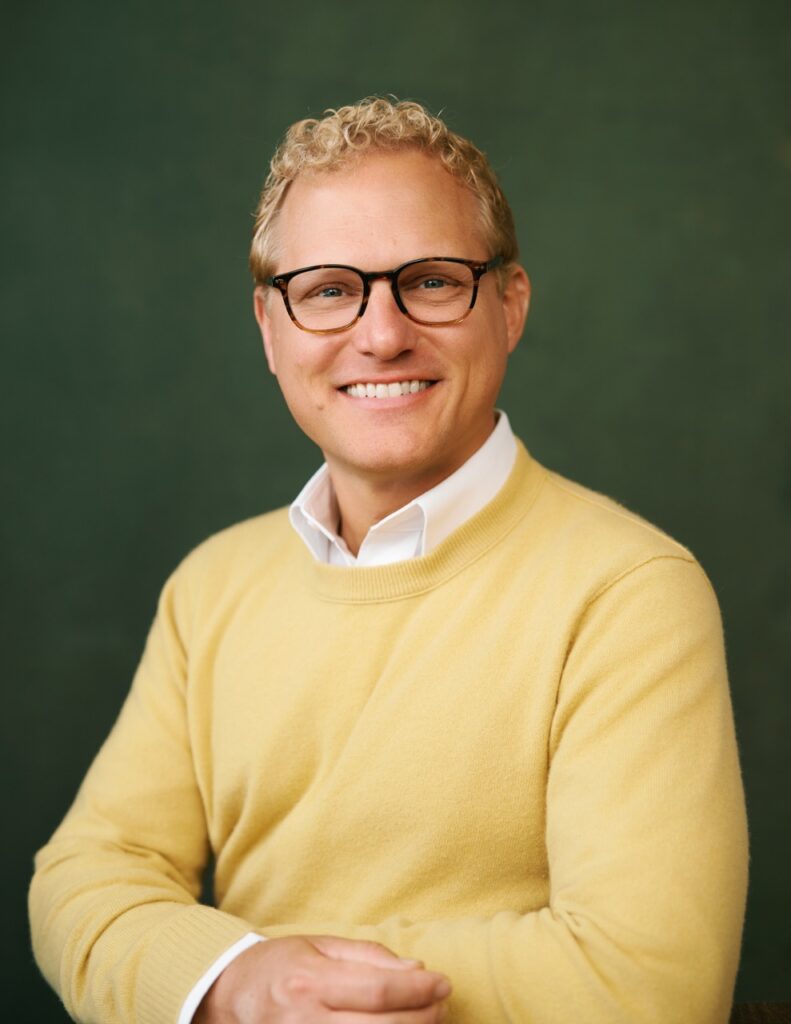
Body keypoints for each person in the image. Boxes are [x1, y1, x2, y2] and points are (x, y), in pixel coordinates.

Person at [29, 97, 748, 1024]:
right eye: (328, 289)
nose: (380, 334)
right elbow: (86, 874)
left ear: (510, 305)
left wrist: (267, 978)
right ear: (269, 327)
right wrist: (238, 982)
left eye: (433, 281)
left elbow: (648, 980)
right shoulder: (211, 586)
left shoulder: (626, 592)